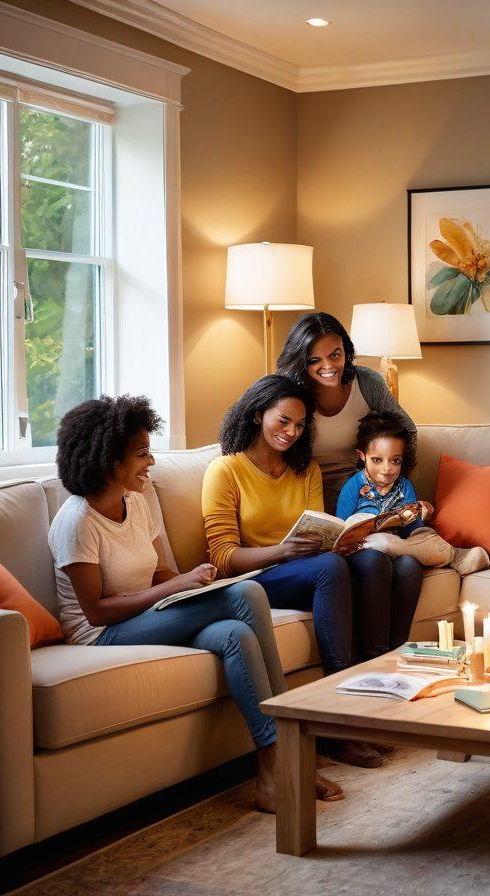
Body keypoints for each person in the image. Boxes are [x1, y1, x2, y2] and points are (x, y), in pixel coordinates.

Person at [47, 395, 342, 811]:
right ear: (109, 459)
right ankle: (290, 756)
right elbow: (95, 611)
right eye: (142, 454)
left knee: (236, 633)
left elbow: (160, 575)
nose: (150, 462)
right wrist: (176, 588)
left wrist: (194, 584)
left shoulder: (136, 502)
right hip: (100, 634)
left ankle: (271, 770)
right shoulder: (77, 520)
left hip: (145, 615)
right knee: (246, 592)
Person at [201, 374, 385, 768]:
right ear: (256, 414)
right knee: (330, 569)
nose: (291, 432)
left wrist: (341, 540)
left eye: (300, 426)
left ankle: (375, 701)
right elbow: (222, 557)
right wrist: (281, 552)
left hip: (303, 569)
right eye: (283, 421)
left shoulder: (305, 469)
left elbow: (318, 530)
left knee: (370, 560)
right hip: (254, 579)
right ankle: (339, 723)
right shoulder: (226, 470)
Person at [277, 311, 424, 660]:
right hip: (315, 501)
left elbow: (408, 432)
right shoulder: (293, 392)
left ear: (347, 350)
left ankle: (392, 655)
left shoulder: (367, 382)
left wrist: (388, 484)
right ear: (302, 361)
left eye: (335, 354)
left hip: (367, 496)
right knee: (372, 563)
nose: (328, 365)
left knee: (408, 566)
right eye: (314, 360)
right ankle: (371, 658)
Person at [336, 411, 490, 591]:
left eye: (395, 461)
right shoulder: (353, 486)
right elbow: (341, 529)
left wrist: (423, 511)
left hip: (402, 540)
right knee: (375, 539)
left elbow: (412, 524)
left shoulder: (404, 485)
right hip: (367, 546)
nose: (387, 469)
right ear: (362, 456)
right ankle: (445, 555)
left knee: (424, 534)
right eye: (377, 460)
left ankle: (451, 555)